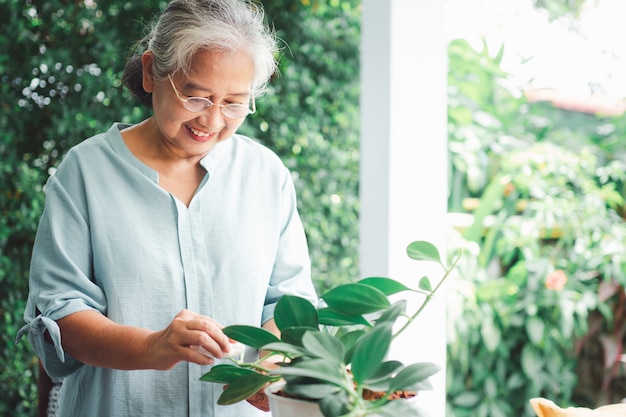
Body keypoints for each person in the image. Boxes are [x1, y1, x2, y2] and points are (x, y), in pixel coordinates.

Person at [17, 0, 317, 416]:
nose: (212, 121)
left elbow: (290, 302)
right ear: (151, 72)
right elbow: (61, 317)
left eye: (233, 103)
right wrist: (152, 346)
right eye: (196, 96)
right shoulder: (85, 173)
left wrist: (269, 362)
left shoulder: (266, 175)